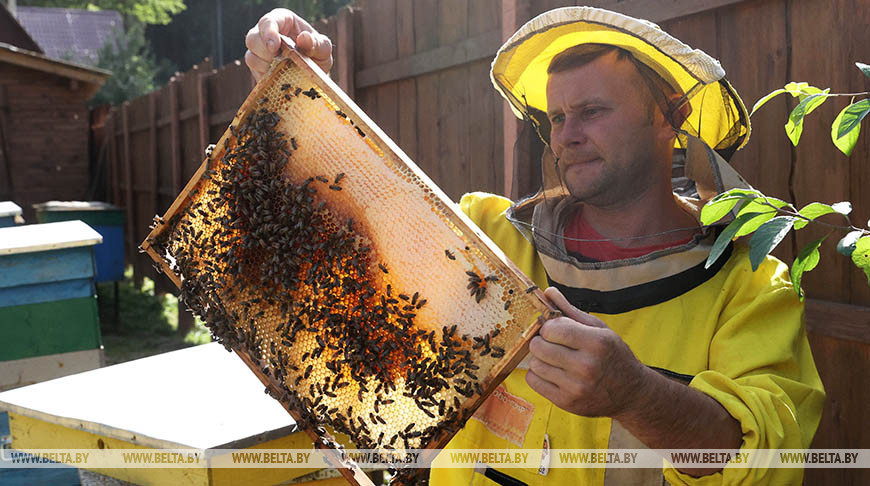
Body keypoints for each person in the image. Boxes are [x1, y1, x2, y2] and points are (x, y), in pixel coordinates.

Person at [245, 6, 824, 485]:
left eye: (592, 111)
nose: (567, 135)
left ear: (671, 116)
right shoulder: (490, 240)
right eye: (556, 118)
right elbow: (348, 232)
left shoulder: (751, 289)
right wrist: (301, 89)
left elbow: (770, 456)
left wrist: (637, 395)